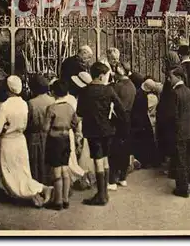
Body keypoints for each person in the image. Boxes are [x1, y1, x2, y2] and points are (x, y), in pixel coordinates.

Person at [0, 75, 53, 208]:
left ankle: (40, 189)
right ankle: (34, 193)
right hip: (20, 140)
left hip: (8, 142)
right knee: (23, 171)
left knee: (10, 175)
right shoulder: (24, 103)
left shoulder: (5, 106)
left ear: (7, 89)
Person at [77, 62, 126, 206]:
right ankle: (104, 193)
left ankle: (101, 195)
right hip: (108, 130)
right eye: (106, 75)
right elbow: (121, 110)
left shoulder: (85, 91)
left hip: (93, 131)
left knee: (98, 160)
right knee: (104, 159)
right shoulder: (109, 91)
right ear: (100, 76)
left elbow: (80, 112)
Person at [43, 80, 78, 210]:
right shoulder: (69, 107)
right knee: (65, 168)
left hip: (55, 139)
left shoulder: (52, 108)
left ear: (53, 93)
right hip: (66, 138)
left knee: (56, 170)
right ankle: (65, 199)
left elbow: (45, 127)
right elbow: (75, 123)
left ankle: (57, 201)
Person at [167, 66, 190, 198]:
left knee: (180, 160)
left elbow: (173, 116)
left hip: (178, 131)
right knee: (187, 158)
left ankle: (183, 188)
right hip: (189, 129)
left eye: (171, 77)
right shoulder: (189, 91)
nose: (169, 80)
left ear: (178, 77)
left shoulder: (174, 93)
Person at [108, 68, 136, 189]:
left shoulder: (117, 86)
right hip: (128, 118)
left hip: (117, 119)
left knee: (114, 149)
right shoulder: (132, 85)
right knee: (125, 148)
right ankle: (123, 177)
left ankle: (113, 179)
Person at [26, 73, 55, 185]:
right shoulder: (52, 100)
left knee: (36, 163)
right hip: (50, 134)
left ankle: (39, 185)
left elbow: (28, 121)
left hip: (35, 136)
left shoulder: (31, 103)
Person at [131, 78, 157, 169]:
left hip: (139, 121)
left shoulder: (138, 93)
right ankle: (146, 161)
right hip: (141, 121)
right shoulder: (142, 96)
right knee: (145, 142)